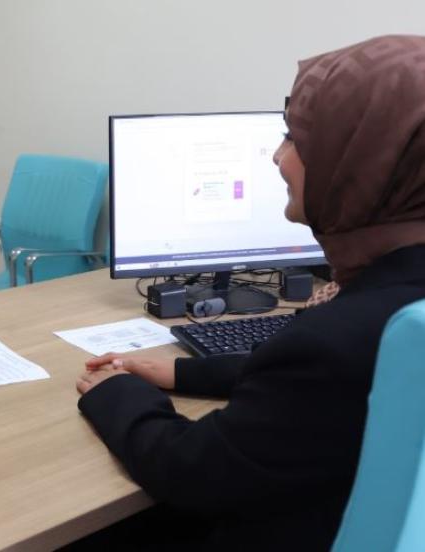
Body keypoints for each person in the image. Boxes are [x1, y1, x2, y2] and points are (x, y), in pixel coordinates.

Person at [74, 35, 425, 551]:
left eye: (295, 139)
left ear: (361, 163)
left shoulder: (337, 338)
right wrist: (183, 372)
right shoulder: (397, 308)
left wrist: (115, 394)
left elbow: (193, 472)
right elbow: (345, 384)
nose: (278, 157)